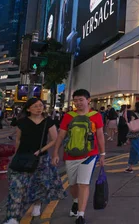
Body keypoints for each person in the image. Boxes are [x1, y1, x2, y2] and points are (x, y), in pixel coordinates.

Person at [3, 98, 65, 224]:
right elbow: (18, 140)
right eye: (35, 106)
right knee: (17, 188)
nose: (39, 108)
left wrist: (41, 150)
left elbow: (55, 139)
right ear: (28, 109)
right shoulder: (22, 122)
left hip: (41, 159)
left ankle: (37, 204)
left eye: (41, 105)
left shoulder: (48, 122)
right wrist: (16, 154)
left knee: (40, 184)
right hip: (22, 157)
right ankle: (12, 217)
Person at [52, 89, 105, 224]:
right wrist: (55, 153)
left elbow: (100, 135)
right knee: (73, 184)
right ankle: (75, 201)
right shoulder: (68, 116)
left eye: (81, 100)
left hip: (90, 155)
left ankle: (81, 214)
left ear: (88, 100)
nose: (78, 103)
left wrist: (102, 153)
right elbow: (61, 135)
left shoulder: (96, 115)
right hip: (70, 155)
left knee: (84, 183)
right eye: (75, 100)